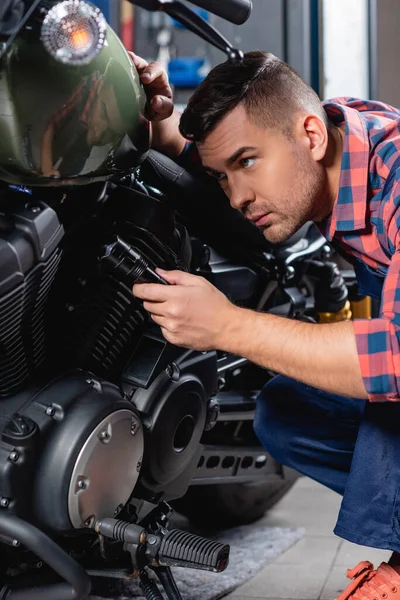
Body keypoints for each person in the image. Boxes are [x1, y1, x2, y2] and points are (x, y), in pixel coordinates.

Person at [130, 49, 400, 599]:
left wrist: (228, 326)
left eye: (247, 163)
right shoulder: (332, 139)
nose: (239, 197)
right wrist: (161, 132)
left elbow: (394, 360)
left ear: (310, 135)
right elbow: (255, 170)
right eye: (222, 175)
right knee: (285, 411)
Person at [40, 58, 135, 177]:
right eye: (104, 113)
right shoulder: (88, 85)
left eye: (112, 132)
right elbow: (52, 123)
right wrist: (46, 170)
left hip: (82, 149)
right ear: (99, 85)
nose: (98, 134)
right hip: (68, 134)